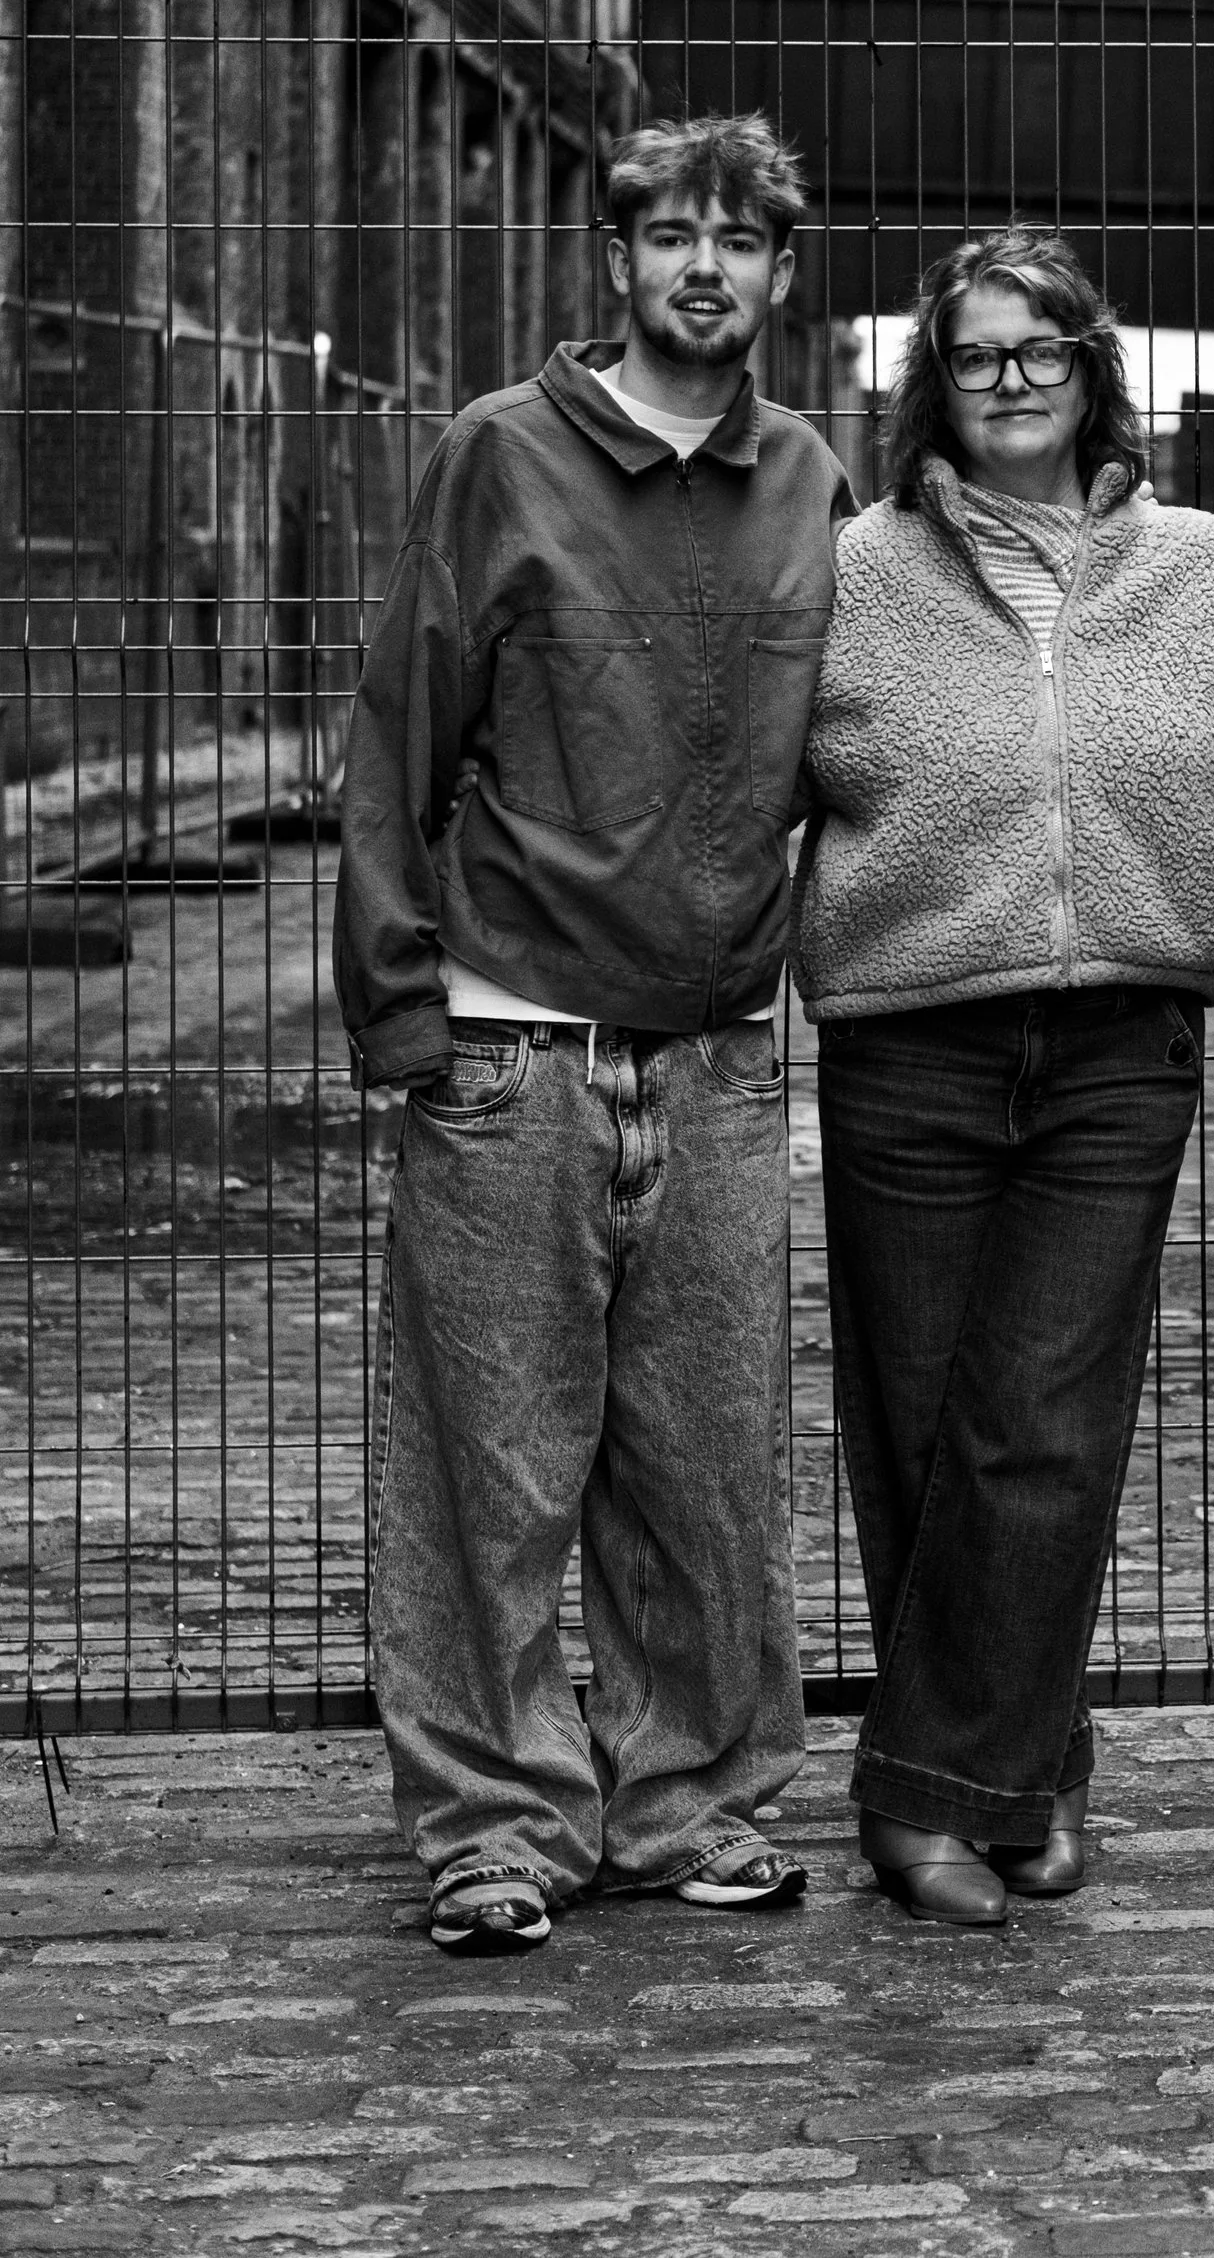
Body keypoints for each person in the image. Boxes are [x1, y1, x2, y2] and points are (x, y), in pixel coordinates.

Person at [793, 225, 1214, 1928]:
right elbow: (748, 774)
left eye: (1042, 352)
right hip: (905, 1043)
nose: (1010, 382)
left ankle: (927, 1800)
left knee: (1047, 1429)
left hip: (1116, 1054)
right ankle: (1033, 1767)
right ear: (939, 377)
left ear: (1093, 371)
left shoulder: (1206, 563)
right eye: (978, 354)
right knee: (925, 1437)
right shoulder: (853, 567)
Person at [334, 112, 850, 1955]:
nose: (700, 266)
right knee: (491, 1455)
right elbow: (400, 734)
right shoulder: (503, 454)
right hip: (510, 1042)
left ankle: (691, 1798)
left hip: (716, 1050)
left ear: (783, 275)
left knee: (710, 1458)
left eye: (736, 239)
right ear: (618, 261)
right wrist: (402, 1014)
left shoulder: (810, 479)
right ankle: (493, 1820)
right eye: (665, 236)